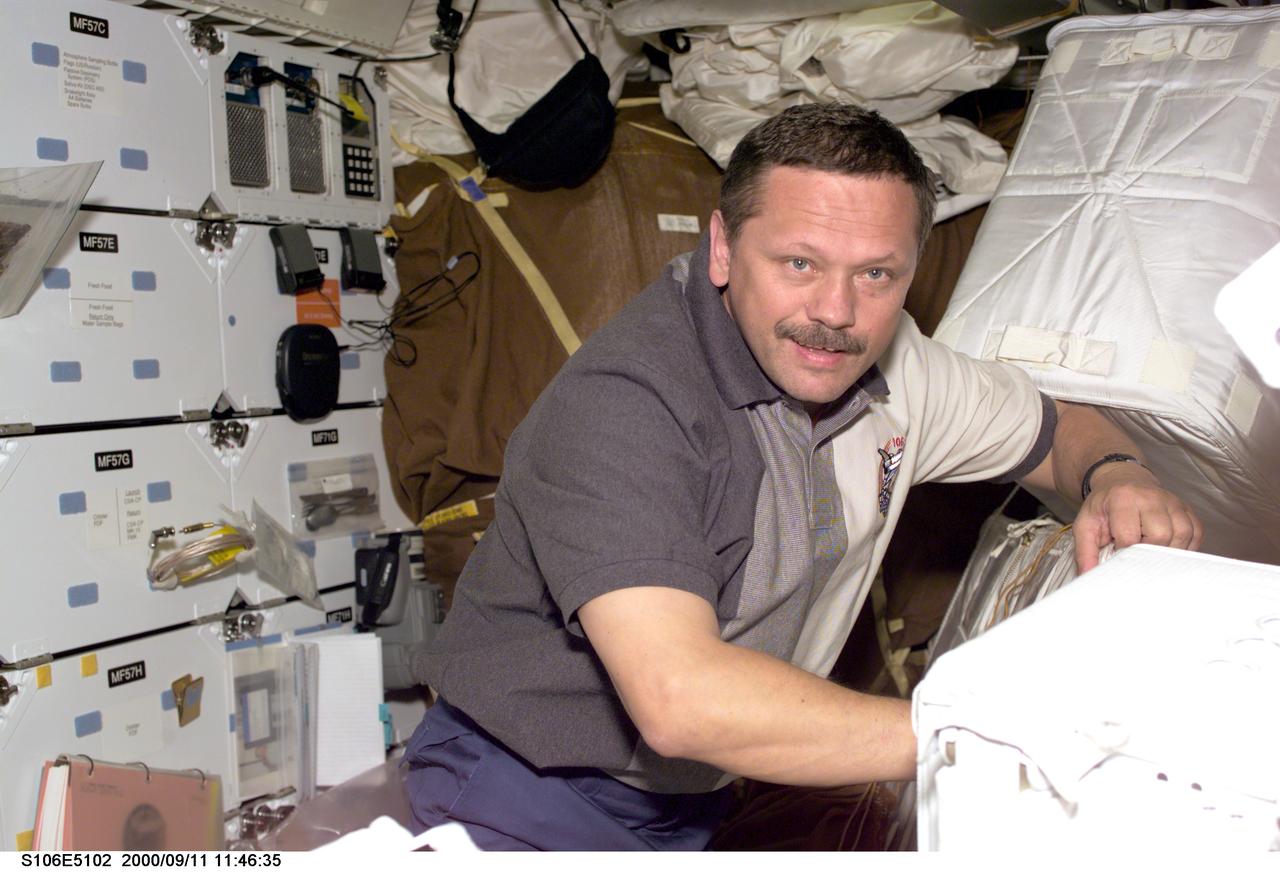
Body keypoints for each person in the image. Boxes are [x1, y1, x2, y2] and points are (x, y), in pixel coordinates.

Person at [402, 103, 1202, 850]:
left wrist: (1116, 474)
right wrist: (983, 729)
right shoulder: (627, 406)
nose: (835, 310)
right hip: (525, 788)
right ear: (722, 248)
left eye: (877, 274)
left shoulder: (896, 368)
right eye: (799, 261)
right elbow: (681, 699)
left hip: (699, 792)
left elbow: (1056, 429)